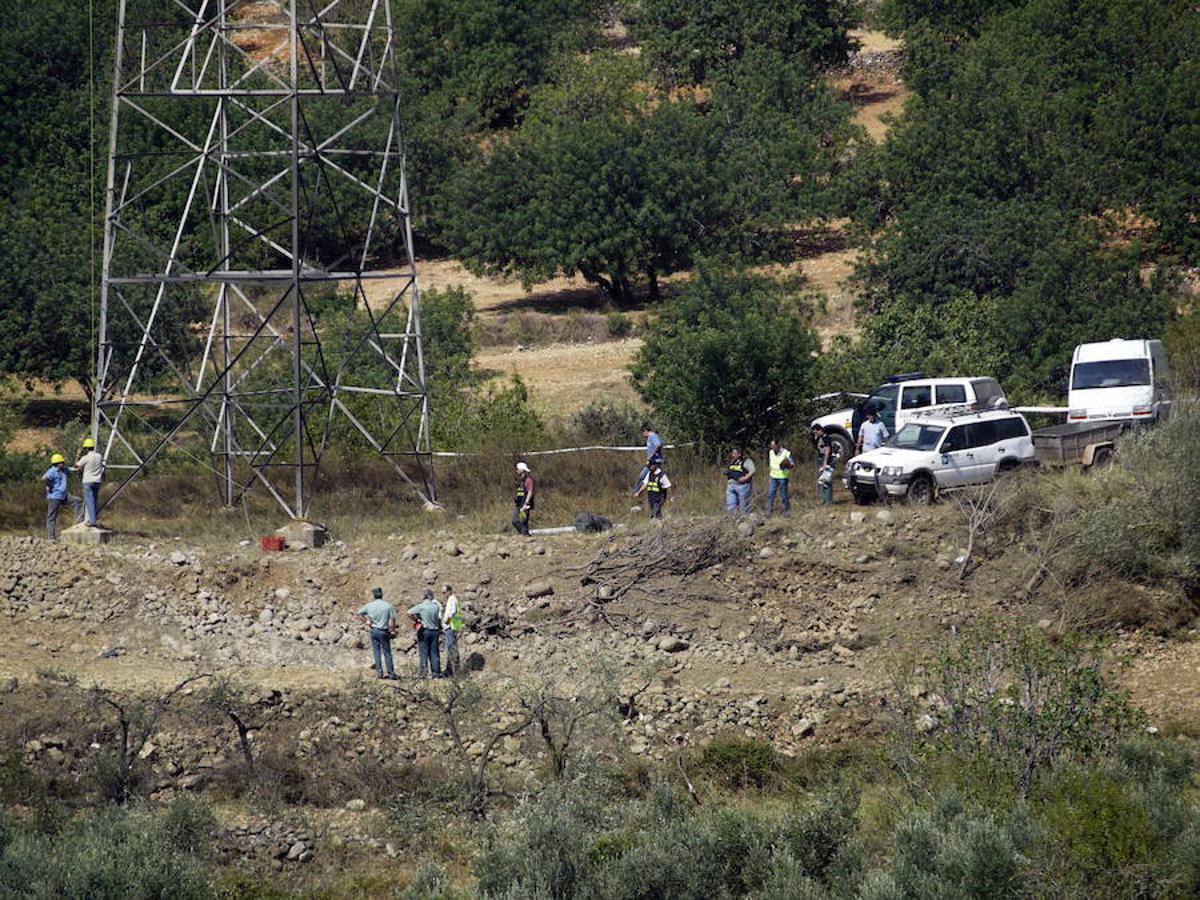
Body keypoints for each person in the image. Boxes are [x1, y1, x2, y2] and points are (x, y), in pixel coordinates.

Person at [357, 587, 398, 680]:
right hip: (384, 631)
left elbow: (359, 613)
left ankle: (379, 673)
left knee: (377, 652)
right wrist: (392, 630)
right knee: (387, 653)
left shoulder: (369, 606)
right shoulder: (388, 606)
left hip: (374, 630)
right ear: (382, 594)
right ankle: (391, 674)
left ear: (374, 595)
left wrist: (367, 621)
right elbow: (392, 619)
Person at [42, 453, 82, 540]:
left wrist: (78, 466)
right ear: (56, 463)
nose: (63, 464)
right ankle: (51, 537)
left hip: (64, 495)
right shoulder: (52, 471)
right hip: (54, 497)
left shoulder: (64, 470)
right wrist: (49, 486)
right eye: (61, 462)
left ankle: (78, 522)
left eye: (63, 462)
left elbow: (73, 469)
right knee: (52, 517)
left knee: (77, 501)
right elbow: (44, 478)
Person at [408, 589, 444, 678]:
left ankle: (423, 673)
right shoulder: (436, 607)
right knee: (434, 652)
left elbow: (409, 613)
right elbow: (439, 618)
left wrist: (416, 620)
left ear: (425, 596)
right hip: (435, 631)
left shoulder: (421, 606)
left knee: (424, 652)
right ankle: (436, 673)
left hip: (424, 630)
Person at [74, 438, 104, 527]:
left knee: (90, 501)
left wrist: (77, 458)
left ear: (86, 448)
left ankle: (92, 521)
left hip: (88, 481)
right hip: (97, 481)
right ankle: (95, 518)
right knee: (95, 500)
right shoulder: (99, 456)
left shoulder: (85, 458)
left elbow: (77, 465)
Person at [766, 438, 795, 516]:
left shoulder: (786, 453)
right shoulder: (771, 452)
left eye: (774, 446)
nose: (773, 448)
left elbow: (792, 464)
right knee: (770, 494)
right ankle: (768, 512)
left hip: (782, 476)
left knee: (784, 495)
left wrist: (787, 465)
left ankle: (787, 511)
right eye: (771, 446)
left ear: (778, 445)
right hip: (773, 476)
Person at [440, 584, 464, 676]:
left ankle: (453, 671)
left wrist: (446, 622)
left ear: (449, 591)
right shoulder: (453, 599)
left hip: (451, 627)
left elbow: (451, 613)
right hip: (453, 626)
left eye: (444, 592)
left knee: (452, 649)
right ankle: (450, 670)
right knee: (451, 649)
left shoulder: (451, 599)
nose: (444, 595)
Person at [724, 447, 755, 514]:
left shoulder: (746, 461)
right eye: (732, 453)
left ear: (739, 454)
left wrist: (745, 478)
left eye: (735, 453)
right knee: (731, 507)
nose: (733, 455)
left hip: (742, 486)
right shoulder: (732, 461)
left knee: (744, 507)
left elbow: (752, 470)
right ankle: (733, 520)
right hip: (731, 486)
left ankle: (745, 521)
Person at [813, 425, 838, 505]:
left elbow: (827, 451)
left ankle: (828, 500)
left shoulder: (826, 438)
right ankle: (823, 499)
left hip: (827, 460)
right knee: (821, 481)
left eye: (816, 432)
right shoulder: (819, 438)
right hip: (821, 458)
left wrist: (825, 463)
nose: (815, 434)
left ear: (820, 430)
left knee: (826, 480)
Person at [512, 462, 535, 536]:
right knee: (514, 520)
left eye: (518, 469)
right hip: (518, 505)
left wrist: (526, 503)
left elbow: (530, 492)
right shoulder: (520, 481)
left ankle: (525, 535)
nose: (517, 471)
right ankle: (524, 534)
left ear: (522, 470)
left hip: (525, 505)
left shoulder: (528, 481)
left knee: (523, 522)